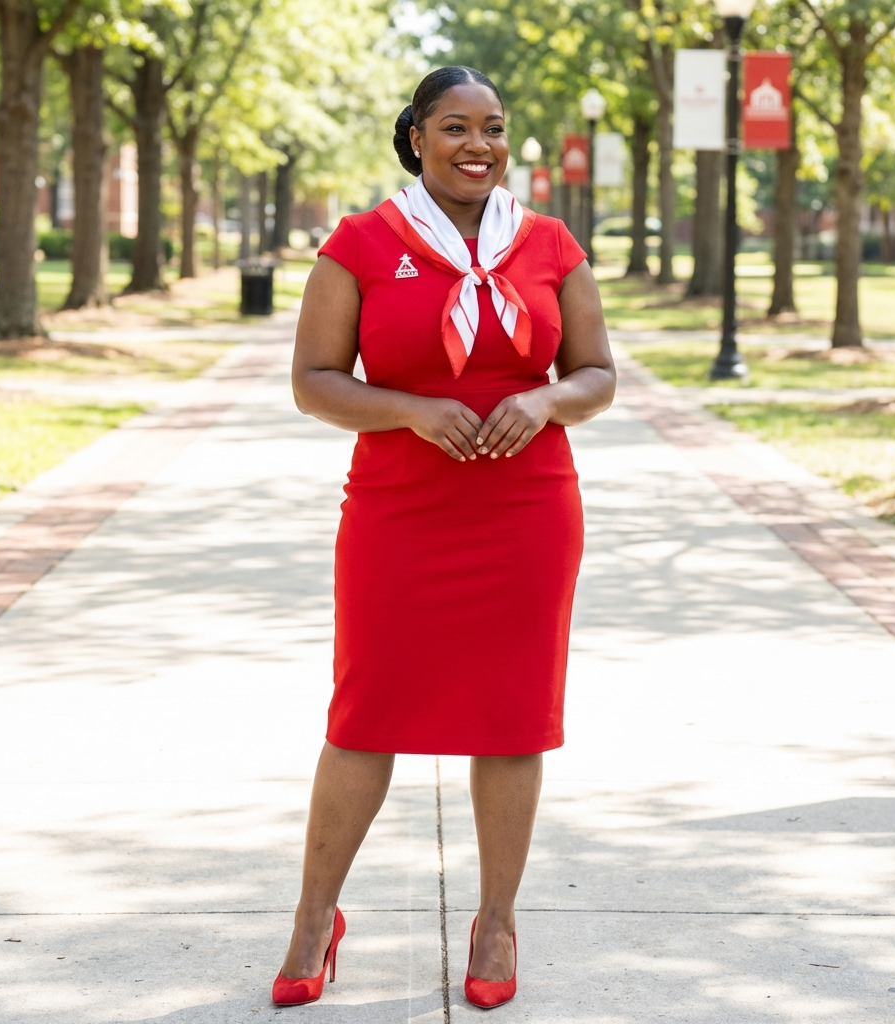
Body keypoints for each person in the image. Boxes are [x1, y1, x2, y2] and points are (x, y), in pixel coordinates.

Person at [274, 65, 616, 1010]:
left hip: (527, 512)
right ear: (416, 136)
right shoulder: (360, 244)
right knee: (364, 714)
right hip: (399, 511)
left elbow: (596, 374)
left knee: (511, 719)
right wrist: (410, 412)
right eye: (457, 127)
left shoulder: (548, 243)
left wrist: (546, 399)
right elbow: (313, 379)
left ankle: (497, 920)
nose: (480, 146)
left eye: (494, 128)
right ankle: (314, 917)